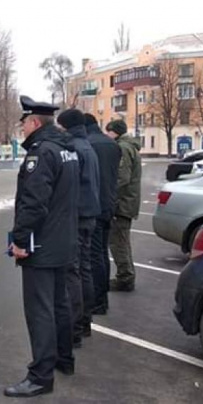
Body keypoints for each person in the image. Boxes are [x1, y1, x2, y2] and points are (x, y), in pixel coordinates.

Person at [5, 96, 80, 398]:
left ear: (34, 122)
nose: (22, 128)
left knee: (40, 311)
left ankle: (40, 375)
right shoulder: (66, 150)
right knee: (59, 304)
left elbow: (33, 204)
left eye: (23, 123)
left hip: (42, 245)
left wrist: (20, 241)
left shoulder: (41, 154)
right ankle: (64, 358)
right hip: (63, 242)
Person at [57, 109, 101, 344]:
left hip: (77, 217)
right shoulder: (87, 146)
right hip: (89, 215)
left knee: (72, 272)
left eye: (60, 126)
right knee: (84, 269)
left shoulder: (74, 148)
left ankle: (74, 328)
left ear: (66, 127)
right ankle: (84, 322)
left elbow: (69, 187)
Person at [84, 113, 120, 315]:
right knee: (102, 253)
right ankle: (102, 295)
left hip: (93, 207)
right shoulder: (111, 144)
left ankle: (98, 300)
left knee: (93, 256)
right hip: (108, 205)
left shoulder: (88, 145)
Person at [106, 120, 142, 292]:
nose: (107, 135)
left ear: (115, 132)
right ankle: (126, 275)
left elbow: (122, 178)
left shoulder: (123, 148)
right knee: (122, 240)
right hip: (128, 201)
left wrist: (109, 197)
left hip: (122, 203)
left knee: (118, 241)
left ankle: (125, 277)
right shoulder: (129, 146)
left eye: (108, 131)